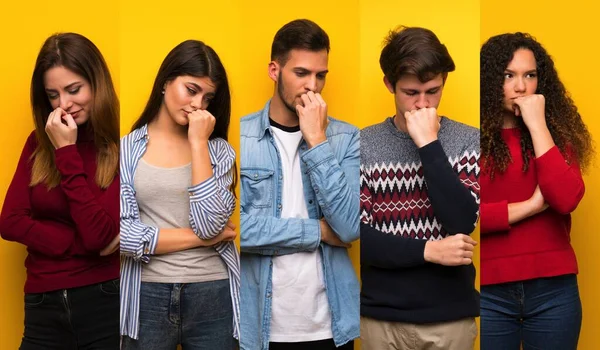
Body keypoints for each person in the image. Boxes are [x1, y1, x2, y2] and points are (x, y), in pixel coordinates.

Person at [239, 19, 360, 350]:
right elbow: (236, 232)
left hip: (330, 326)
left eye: (321, 75)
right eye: (301, 73)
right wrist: (317, 233)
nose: (313, 86)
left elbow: (349, 227)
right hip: (260, 328)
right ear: (274, 70)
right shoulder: (239, 137)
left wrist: (317, 140)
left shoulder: (345, 138)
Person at [359, 26, 480, 349]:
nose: (423, 104)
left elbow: (461, 222)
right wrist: (430, 250)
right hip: (380, 318)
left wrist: (428, 143)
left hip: (450, 318)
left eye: (433, 91)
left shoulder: (469, 140)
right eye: (411, 93)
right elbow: (359, 239)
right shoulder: (362, 144)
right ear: (389, 84)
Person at [0, 32, 120, 349]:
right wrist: (73, 241)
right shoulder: (38, 144)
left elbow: (98, 235)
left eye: (74, 89)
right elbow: (9, 221)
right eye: (53, 94)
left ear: (97, 84)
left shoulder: (122, 147)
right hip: (42, 302)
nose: (64, 104)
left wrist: (66, 153)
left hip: (104, 300)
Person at [119, 40, 240, 349]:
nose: (198, 104)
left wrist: (199, 144)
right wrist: (202, 240)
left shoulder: (218, 152)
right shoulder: (126, 150)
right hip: (147, 292)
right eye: (191, 90)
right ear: (165, 82)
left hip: (212, 291)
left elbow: (210, 225)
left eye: (208, 97)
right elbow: (124, 236)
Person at [479, 32, 593, 350]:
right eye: (508, 75)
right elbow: (465, 216)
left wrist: (538, 126)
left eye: (530, 75)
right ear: (490, 80)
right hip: (488, 292)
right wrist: (531, 206)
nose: (521, 86)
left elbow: (566, 199)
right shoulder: (468, 139)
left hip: (554, 292)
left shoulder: (554, 134)